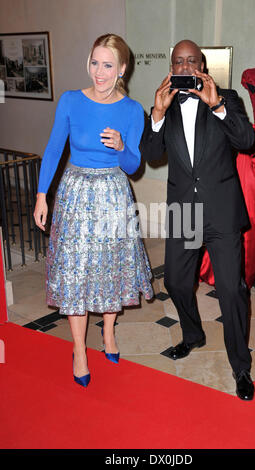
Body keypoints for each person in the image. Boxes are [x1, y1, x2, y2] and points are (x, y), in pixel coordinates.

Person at [34, 34, 153, 387]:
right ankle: (80, 351)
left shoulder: (132, 110)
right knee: (75, 271)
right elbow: (54, 148)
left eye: (108, 65)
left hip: (113, 194)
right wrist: (42, 195)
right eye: (95, 63)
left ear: (122, 70)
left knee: (111, 268)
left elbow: (134, 166)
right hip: (74, 194)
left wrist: (121, 147)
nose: (99, 72)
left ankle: (109, 332)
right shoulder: (70, 101)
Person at [140, 40, 255, 400]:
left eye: (192, 61)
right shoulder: (165, 105)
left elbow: (248, 141)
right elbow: (151, 155)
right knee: (175, 280)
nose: (186, 67)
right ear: (171, 66)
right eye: (179, 61)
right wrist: (156, 115)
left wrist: (217, 104)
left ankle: (240, 365)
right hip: (185, 212)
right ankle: (193, 335)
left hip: (221, 210)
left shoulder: (227, 97)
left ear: (202, 64)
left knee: (232, 293)